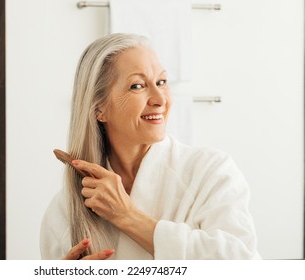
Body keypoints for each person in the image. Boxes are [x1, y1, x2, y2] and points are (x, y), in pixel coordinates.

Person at [40, 33, 260, 260]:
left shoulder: (211, 171)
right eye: (137, 86)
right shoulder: (66, 209)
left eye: (162, 82)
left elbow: (241, 261)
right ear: (99, 109)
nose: (160, 99)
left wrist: (127, 216)